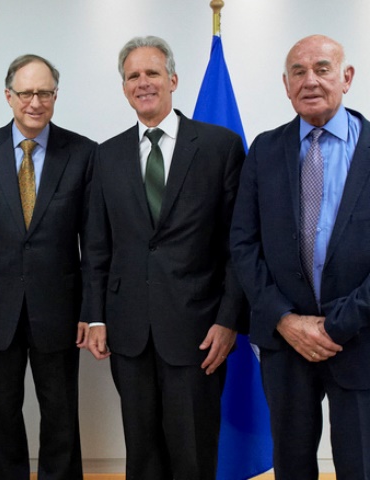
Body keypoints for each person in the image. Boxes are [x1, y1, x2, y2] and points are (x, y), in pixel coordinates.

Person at [86, 36, 247, 479]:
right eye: (133, 76)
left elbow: (239, 244)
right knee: (142, 454)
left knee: (193, 453)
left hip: (198, 331)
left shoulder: (220, 147)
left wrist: (229, 319)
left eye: (152, 73)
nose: (143, 83)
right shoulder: (107, 155)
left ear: (173, 80)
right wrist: (95, 316)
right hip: (129, 332)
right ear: (124, 88)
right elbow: (98, 246)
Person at [230, 34, 370, 479]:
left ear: (346, 77)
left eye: (322, 68)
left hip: (361, 337)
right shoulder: (264, 151)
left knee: (361, 463)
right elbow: (243, 243)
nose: (310, 80)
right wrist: (285, 320)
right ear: (286, 85)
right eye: (298, 72)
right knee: (291, 465)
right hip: (284, 342)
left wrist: (339, 323)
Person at [0, 54, 95, 479]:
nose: (35, 102)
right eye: (26, 93)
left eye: (45, 93)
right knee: (2, 415)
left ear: (56, 96)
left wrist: (91, 312)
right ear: (9, 96)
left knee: (60, 415)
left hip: (58, 308)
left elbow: (93, 243)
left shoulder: (83, 152)